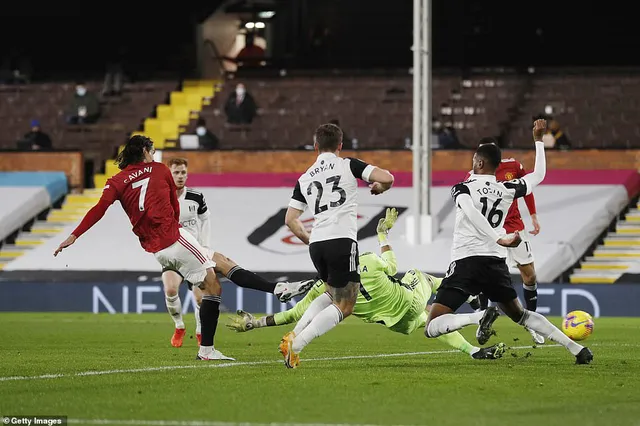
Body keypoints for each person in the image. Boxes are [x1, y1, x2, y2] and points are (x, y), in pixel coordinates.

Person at [228, 208, 507, 361]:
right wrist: (383, 235)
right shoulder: (371, 260)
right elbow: (393, 266)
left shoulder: (326, 285)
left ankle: (473, 344)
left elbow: (291, 314)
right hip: (406, 300)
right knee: (419, 277)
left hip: (396, 323)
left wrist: (257, 323)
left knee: (430, 324)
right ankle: (474, 305)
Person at [424, 120, 594, 365]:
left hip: (466, 262)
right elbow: (539, 176)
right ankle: (576, 348)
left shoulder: (462, 188)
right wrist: (538, 140)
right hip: (495, 263)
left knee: (432, 325)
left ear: (480, 163)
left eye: (474, 160)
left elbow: (471, 212)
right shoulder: (506, 189)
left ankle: (479, 316)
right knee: (521, 314)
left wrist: (498, 237)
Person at [53, 135, 232, 361]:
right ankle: (202, 341)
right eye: (152, 150)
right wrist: (174, 227)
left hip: (155, 246)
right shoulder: (158, 169)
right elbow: (173, 204)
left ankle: (199, 334)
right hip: (174, 237)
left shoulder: (116, 180)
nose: (154, 154)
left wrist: (74, 235)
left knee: (200, 290)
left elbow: (99, 209)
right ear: (146, 152)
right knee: (209, 281)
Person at [164, 158, 315, 347]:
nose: (180, 176)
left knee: (206, 293)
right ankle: (180, 327)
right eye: (176, 172)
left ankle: (203, 340)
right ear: (168, 174)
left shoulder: (195, 197)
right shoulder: (161, 198)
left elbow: (205, 219)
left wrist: (205, 246)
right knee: (174, 289)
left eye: (183, 172)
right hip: (174, 253)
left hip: (195, 250)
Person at [279, 123, 395, 369]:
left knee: (330, 294)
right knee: (346, 304)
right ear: (340, 146)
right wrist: (379, 187)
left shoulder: (305, 177)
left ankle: (293, 334)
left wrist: (311, 240)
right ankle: (297, 345)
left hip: (317, 244)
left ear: (315, 146)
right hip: (341, 240)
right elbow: (387, 178)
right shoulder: (348, 165)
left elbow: (290, 219)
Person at [465, 145, 544, 344]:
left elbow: (530, 187)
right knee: (485, 277)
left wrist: (533, 214)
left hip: (516, 229)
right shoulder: (472, 177)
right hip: (492, 234)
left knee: (530, 275)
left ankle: (531, 324)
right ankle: (483, 321)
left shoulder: (513, 167)